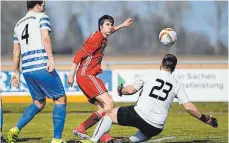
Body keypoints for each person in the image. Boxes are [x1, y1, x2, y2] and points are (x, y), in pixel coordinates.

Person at [78, 54, 218, 143]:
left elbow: (130, 90)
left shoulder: (149, 75)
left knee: (108, 115)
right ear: (173, 69)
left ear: (161, 64)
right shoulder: (177, 84)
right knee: (144, 132)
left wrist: (121, 90)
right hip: (156, 126)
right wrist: (206, 119)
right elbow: (188, 107)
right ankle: (128, 141)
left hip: (139, 114)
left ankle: (92, 141)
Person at [7, 1, 67, 143]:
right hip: (41, 65)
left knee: (39, 102)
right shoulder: (42, 17)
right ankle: (57, 139)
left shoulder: (18, 24)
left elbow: (16, 52)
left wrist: (15, 72)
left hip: (27, 69)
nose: (45, 4)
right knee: (60, 99)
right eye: (43, 2)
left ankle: (15, 129)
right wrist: (51, 59)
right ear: (39, 4)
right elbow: (45, 37)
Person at [67, 15, 133, 142]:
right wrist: (71, 75)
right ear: (100, 26)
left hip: (87, 76)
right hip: (86, 75)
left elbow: (111, 31)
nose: (110, 27)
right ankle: (104, 136)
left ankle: (81, 128)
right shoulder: (96, 39)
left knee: (104, 108)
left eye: (111, 24)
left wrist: (122, 25)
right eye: (107, 25)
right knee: (109, 102)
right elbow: (78, 56)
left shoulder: (102, 36)